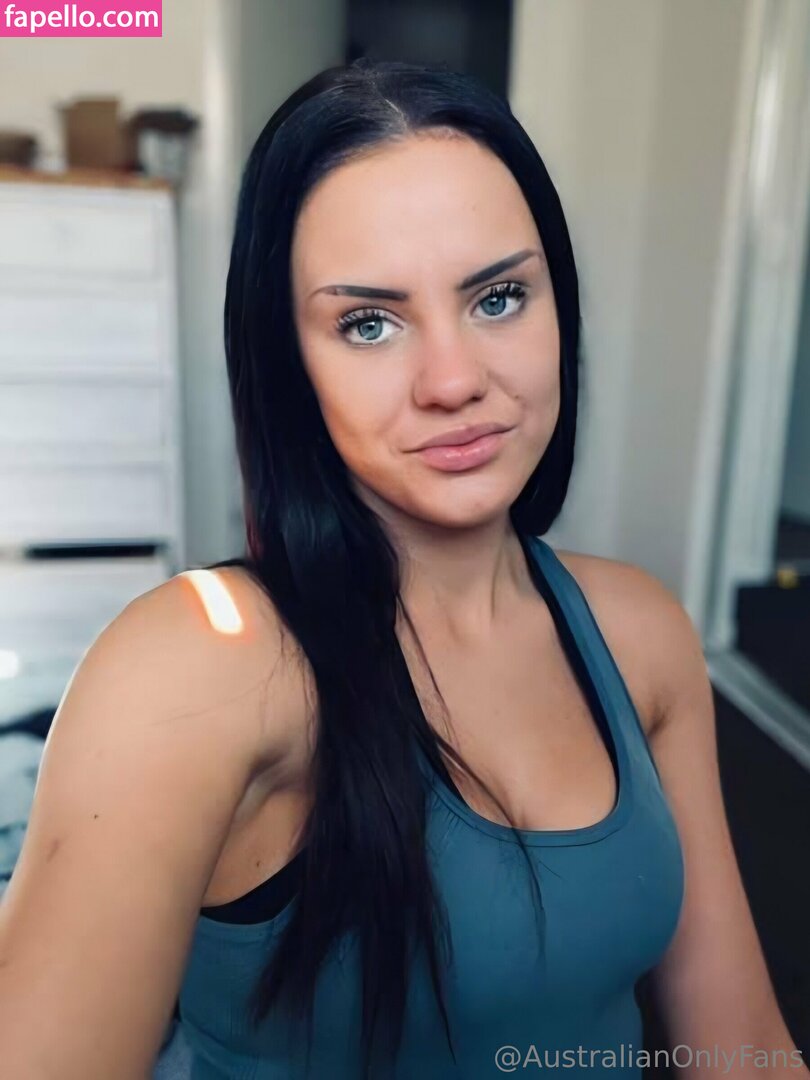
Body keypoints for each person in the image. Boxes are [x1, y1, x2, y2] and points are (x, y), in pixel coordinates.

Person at [0, 58, 804, 1080]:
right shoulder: (193, 671)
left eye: (500, 297)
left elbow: (742, 1050)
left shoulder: (642, 632)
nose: (455, 380)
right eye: (368, 323)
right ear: (288, 364)